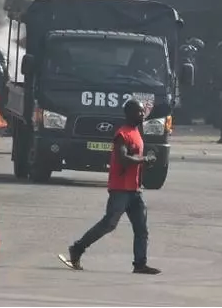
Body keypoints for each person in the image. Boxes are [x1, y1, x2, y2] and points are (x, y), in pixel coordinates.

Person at [58, 99, 161, 275]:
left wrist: (145, 164)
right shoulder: (122, 134)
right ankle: (77, 249)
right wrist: (144, 160)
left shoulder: (136, 132)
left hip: (135, 190)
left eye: (143, 112)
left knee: (141, 229)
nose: (142, 115)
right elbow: (123, 159)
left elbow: (134, 159)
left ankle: (140, 264)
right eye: (138, 112)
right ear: (128, 114)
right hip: (120, 189)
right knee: (108, 224)